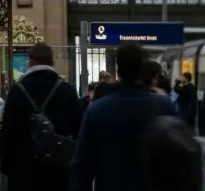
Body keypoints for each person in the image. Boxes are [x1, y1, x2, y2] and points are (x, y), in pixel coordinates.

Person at [69, 44, 178, 191]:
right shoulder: (163, 106)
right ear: (142, 70)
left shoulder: (97, 110)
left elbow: (82, 167)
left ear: (118, 69)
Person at [2, 43, 83, 191]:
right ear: (52, 62)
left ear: (30, 62)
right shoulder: (67, 91)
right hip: (58, 170)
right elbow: (79, 130)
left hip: (24, 170)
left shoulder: (17, 91)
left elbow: (8, 131)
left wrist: (8, 167)